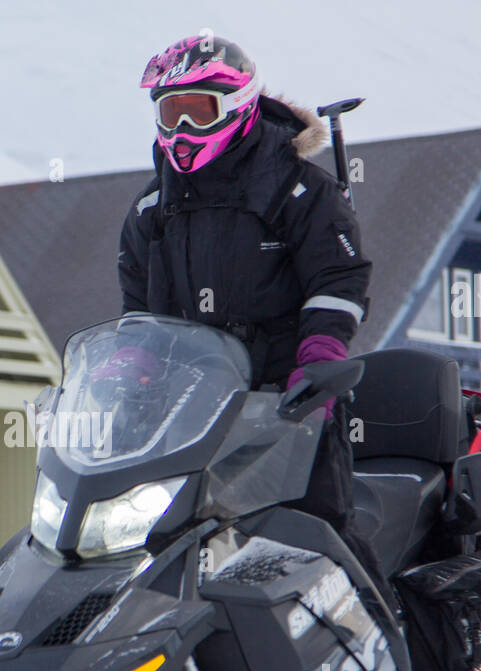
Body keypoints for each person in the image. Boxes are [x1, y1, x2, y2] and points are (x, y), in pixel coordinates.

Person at [118, 34, 381, 585]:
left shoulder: (301, 191)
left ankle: (383, 648)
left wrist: (320, 355)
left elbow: (339, 275)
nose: (181, 131)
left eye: (197, 111)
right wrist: (129, 373)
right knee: (155, 551)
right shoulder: (150, 212)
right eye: (171, 113)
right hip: (188, 422)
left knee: (314, 540)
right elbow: (137, 315)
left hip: (290, 405)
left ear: (237, 106)